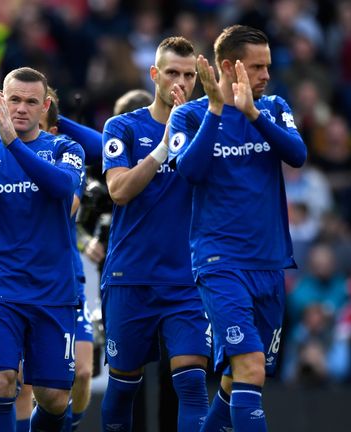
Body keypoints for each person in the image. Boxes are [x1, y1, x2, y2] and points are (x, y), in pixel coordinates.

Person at [170, 25, 306, 432]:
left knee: (238, 378)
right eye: (257, 66)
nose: (266, 74)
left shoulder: (275, 108)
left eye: (268, 65)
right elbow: (188, 173)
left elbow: (297, 155)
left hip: (270, 263)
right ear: (228, 67)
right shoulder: (189, 115)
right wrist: (216, 110)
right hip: (220, 262)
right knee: (250, 367)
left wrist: (252, 114)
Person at [0, 67, 85, 432]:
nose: (22, 108)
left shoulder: (64, 148)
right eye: (14, 100)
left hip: (52, 291)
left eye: (31, 101)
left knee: (53, 398)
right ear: (0, 102)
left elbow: (62, 189)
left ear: (45, 106)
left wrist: (14, 145)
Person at [100, 36, 211, 432]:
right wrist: (165, 145)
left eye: (188, 75)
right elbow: (119, 190)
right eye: (171, 73)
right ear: (154, 75)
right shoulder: (123, 126)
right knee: (122, 389)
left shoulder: (207, 127)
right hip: (131, 276)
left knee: (193, 384)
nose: (180, 83)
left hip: (186, 280)